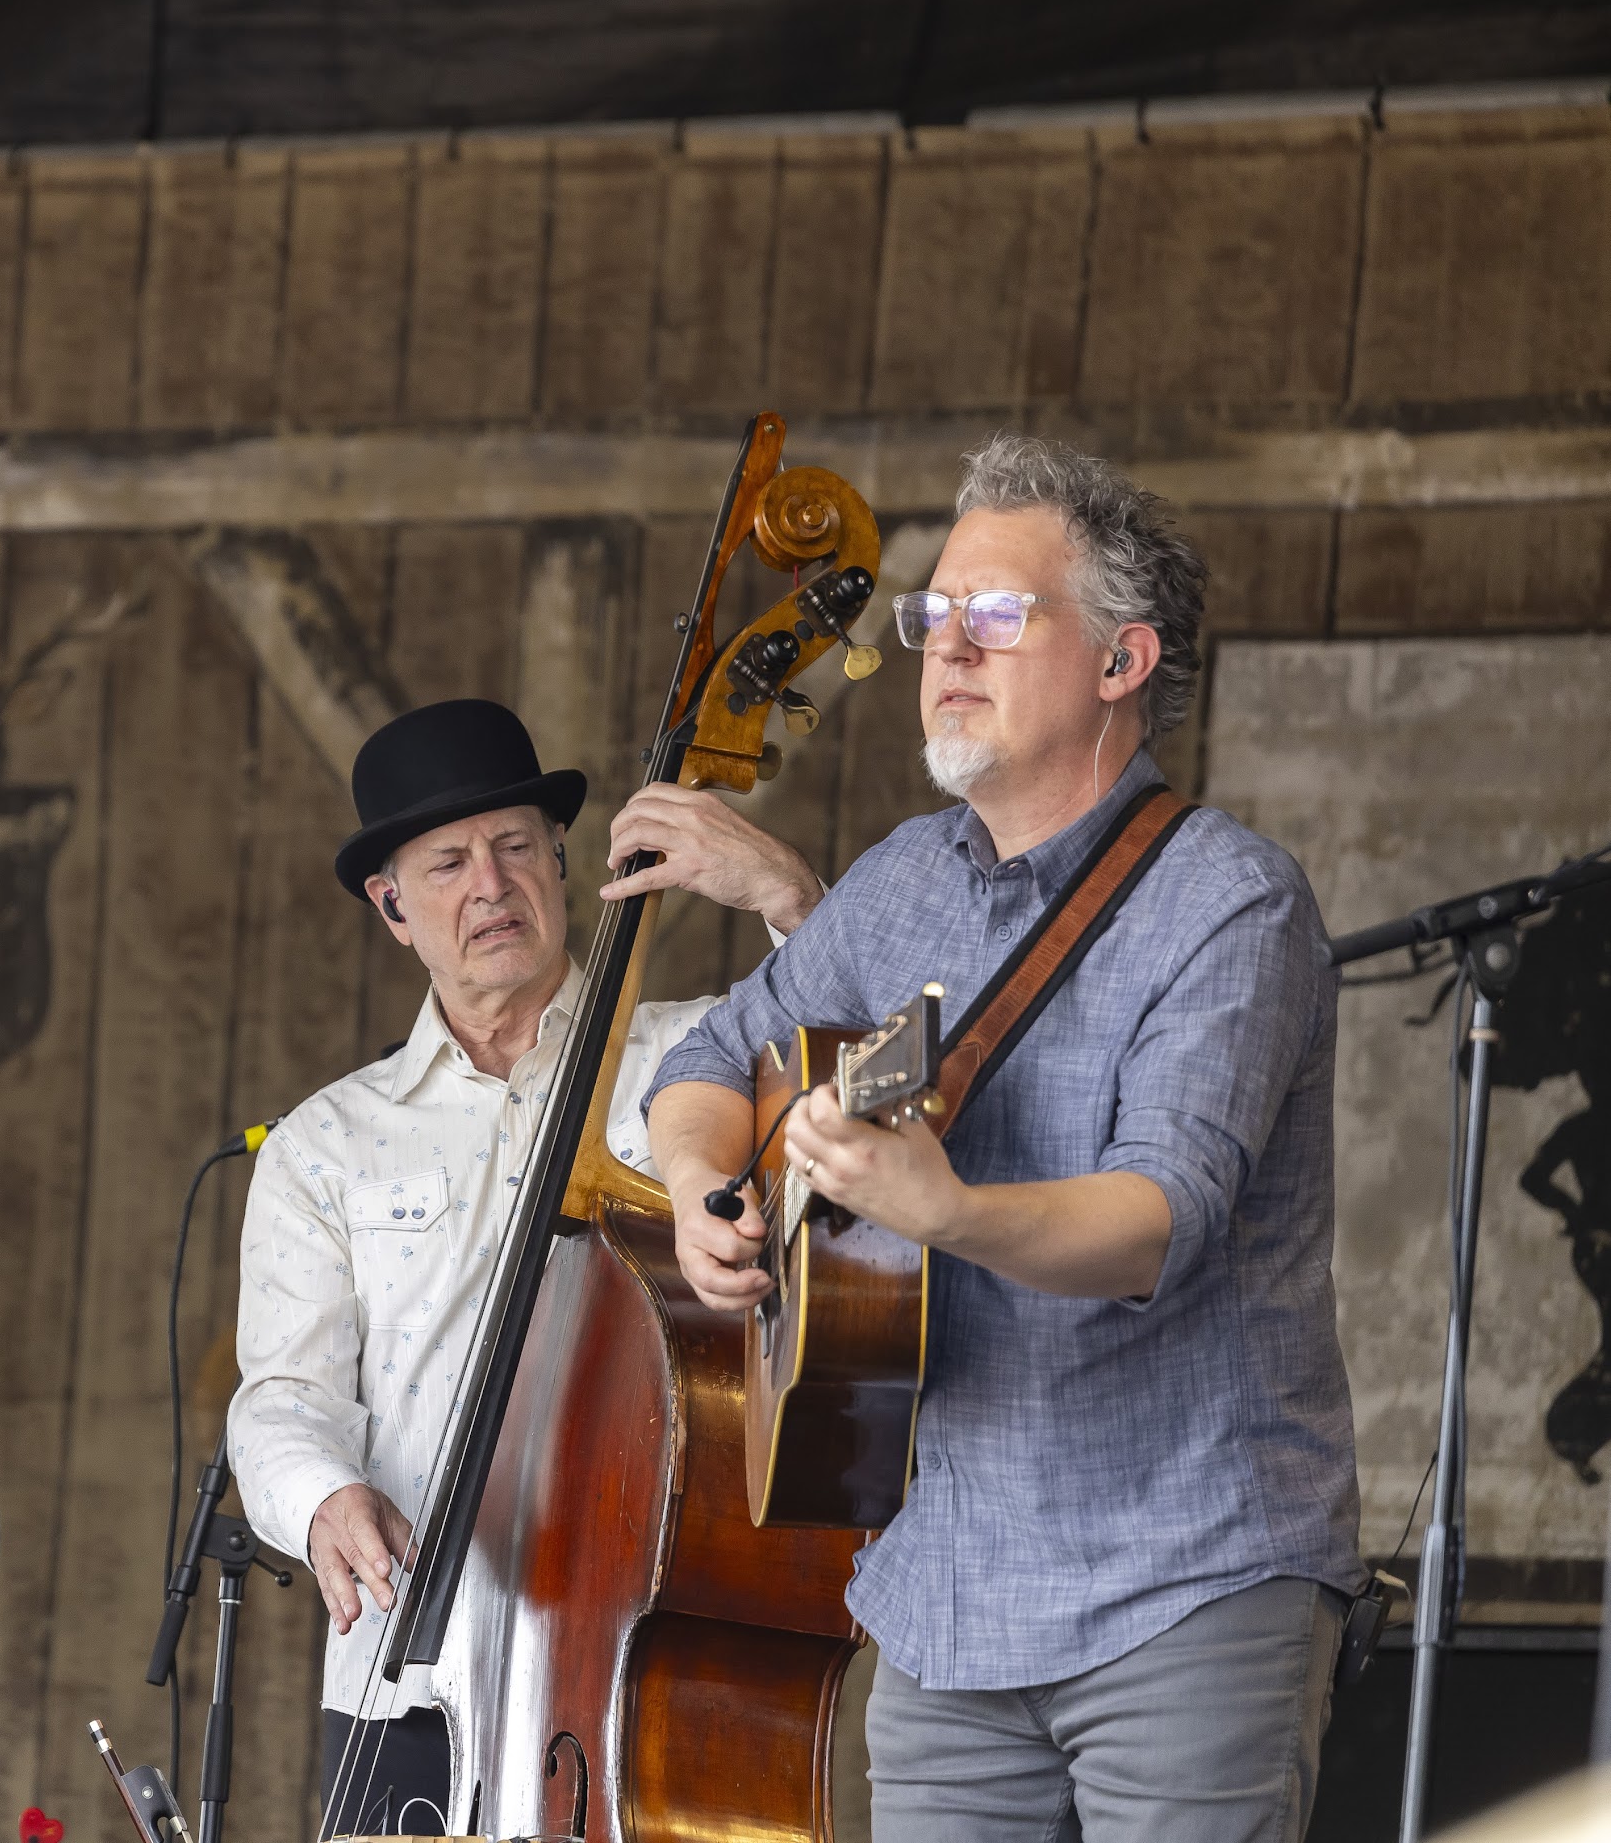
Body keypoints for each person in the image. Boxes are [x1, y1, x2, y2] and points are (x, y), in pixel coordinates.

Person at [646, 432, 1360, 1843]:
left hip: (1183, 1575)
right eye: (931, 617)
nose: (944, 647)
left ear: (1119, 662)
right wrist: (693, 1188)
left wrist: (945, 1207)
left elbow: (1160, 1219)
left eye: (996, 616)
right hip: (944, 1589)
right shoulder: (904, 875)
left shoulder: (1229, 900)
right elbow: (712, 1055)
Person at [227, 697, 825, 1836]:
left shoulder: (695, 1059)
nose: (489, 887)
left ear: (561, 864)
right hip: (409, 1678)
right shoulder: (325, 1144)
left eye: (514, 847)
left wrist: (788, 895)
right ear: (392, 907)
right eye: (446, 863)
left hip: (650, 1657)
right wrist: (323, 1500)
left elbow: (872, 1061)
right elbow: (282, 1401)